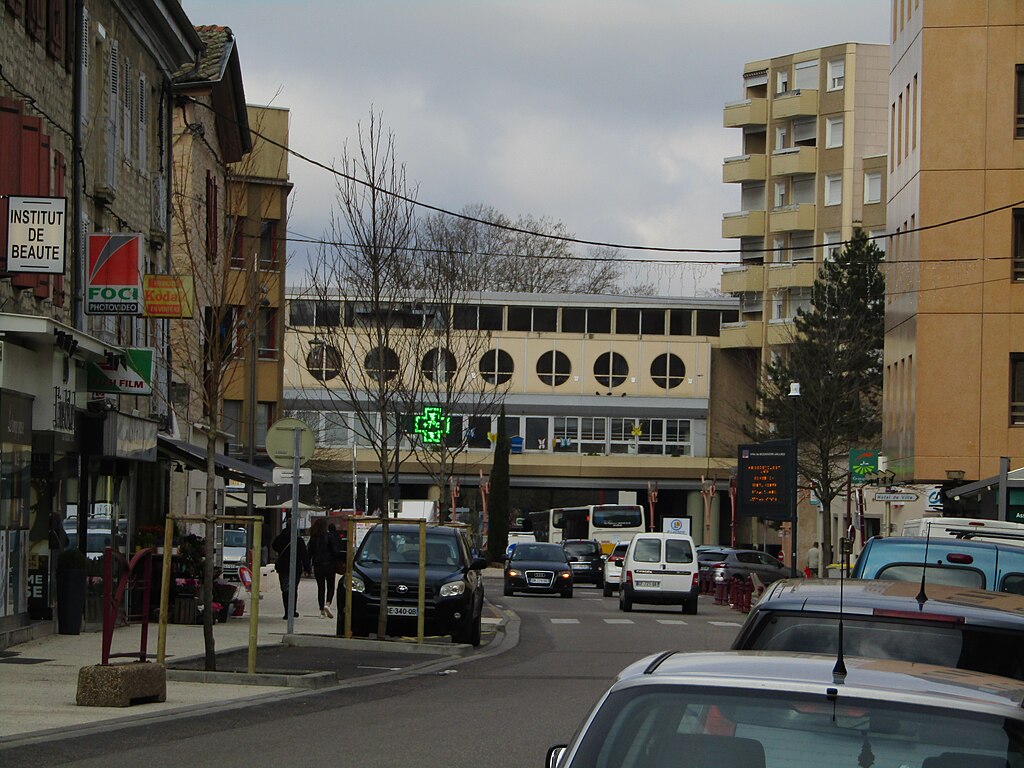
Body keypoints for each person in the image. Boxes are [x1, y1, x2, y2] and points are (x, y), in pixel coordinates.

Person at [273, 523, 311, 620]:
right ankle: (292, 610)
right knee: (293, 589)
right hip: (295, 568)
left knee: (285, 589)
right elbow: (304, 555)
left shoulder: (280, 538)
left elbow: (274, 546)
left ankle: (286, 611)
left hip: (283, 568)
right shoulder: (298, 540)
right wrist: (307, 569)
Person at [307, 518, 340, 618]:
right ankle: (328, 604)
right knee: (331, 586)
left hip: (318, 566)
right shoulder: (329, 537)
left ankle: (321, 611)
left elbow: (309, 554)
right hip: (329, 565)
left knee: (320, 588)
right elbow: (335, 551)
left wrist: (307, 568)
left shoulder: (312, 539)